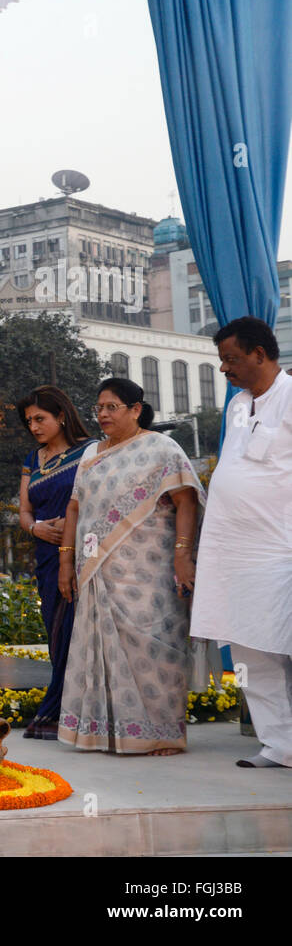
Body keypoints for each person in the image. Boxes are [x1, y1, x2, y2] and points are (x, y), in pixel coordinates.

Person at [57, 378, 204, 755]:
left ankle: (164, 733)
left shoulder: (161, 448)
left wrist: (183, 554)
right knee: (101, 648)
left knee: (154, 646)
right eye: (99, 408)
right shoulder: (91, 454)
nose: (103, 414)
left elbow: (186, 500)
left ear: (136, 409)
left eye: (112, 407)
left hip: (148, 571)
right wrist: (65, 561)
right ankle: (110, 730)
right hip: (96, 569)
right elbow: (74, 508)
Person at [192, 317, 292, 768]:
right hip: (232, 554)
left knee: (285, 645)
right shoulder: (237, 406)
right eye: (221, 360)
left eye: (231, 359)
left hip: (280, 551)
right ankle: (279, 744)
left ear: (260, 353)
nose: (224, 369)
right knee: (249, 652)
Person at [16, 385, 93, 739]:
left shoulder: (89, 452)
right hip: (46, 556)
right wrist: (36, 528)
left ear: (61, 416)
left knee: (80, 630)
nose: (34, 426)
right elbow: (24, 510)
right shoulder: (33, 459)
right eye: (29, 421)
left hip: (83, 554)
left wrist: (72, 526)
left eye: (40, 418)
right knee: (56, 629)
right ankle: (64, 711)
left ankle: (70, 712)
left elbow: (100, 498)